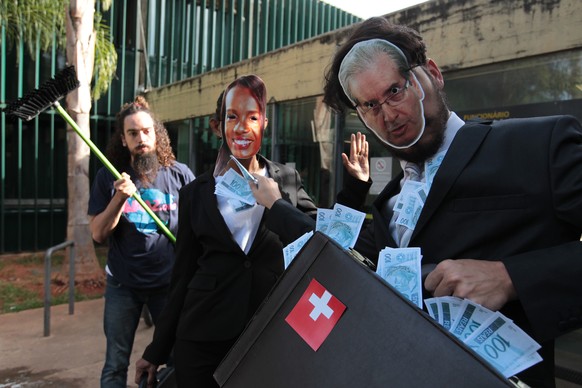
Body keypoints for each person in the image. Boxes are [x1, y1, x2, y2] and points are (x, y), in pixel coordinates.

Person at [318, 16, 582, 387]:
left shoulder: (538, 145)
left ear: (433, 74)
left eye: (395, 91)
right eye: (370, 106)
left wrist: (511, 278)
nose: (390, 116)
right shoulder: (388, 202)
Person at [134, 75, 336, 388]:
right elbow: (182, 276)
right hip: (203, 335)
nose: (243, 128)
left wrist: (353, 189)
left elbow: (319, 237)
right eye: (232, 117)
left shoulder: (286, 179)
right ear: (217, 126)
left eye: (252, 117)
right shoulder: (195, 193)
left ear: (264, 123)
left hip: (269, 328)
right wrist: (157, 347)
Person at [88, 95, 194, 388]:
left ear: (156, 133)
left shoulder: (179, 175)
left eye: (146, 131)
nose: (141, 138)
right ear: (123, 140)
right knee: (115, 363)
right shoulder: (108, 178)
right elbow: (98, 233)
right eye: (132, 133)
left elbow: (197, 228)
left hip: (168, 285)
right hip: (124, 286)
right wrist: (119, 198)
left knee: (175, 358)